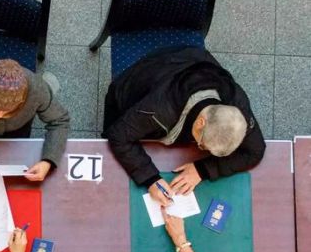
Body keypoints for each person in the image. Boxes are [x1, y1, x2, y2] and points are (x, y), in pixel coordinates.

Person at [103, 46, 266, 206]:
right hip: (132, 92)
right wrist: (150, 179)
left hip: (190, 65)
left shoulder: (237, 111)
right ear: (201, 122)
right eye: (202, 144)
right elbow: (118, 134)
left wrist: (203, 169)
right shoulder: (158, 110)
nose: (200, 149)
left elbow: (255, 151)